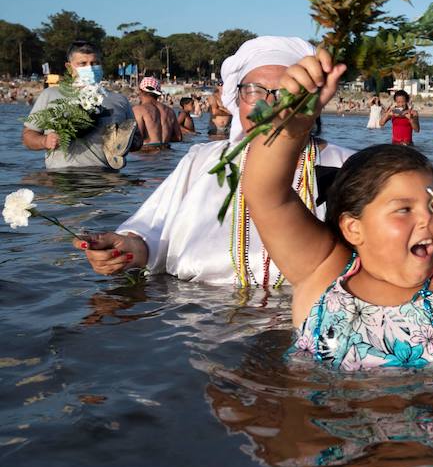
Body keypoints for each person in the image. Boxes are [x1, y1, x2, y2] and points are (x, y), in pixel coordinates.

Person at [240, 49, 433, 371]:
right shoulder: (325, 270)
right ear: (353, 228)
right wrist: (295, 121)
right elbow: (266, 194)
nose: (427, 219)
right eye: (404, 209)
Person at [76, 37, 352, 286]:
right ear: (237, 99)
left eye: (285, 92)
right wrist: (125, 250)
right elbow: (152, 229)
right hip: (192, 321)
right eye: (253, 91)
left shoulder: (347, 167)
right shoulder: (203, 160)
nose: (268, 104)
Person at [22, 41, 136, 171]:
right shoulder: (50, 95)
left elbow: (137, 140)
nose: (90, 68)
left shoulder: (119, 100)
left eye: (95, 63)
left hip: (105, 179)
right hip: (61, 178)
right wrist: (45, 141)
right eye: (82, 64)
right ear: (69, 68)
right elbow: (27, 136)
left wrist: (125, 140)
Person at [133, 77, 171, 151]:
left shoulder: (138, 110)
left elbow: (137, 139)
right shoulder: (170, 111)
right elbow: (178, 137)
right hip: (167, 154)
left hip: (147, 155)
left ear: (140, 91)